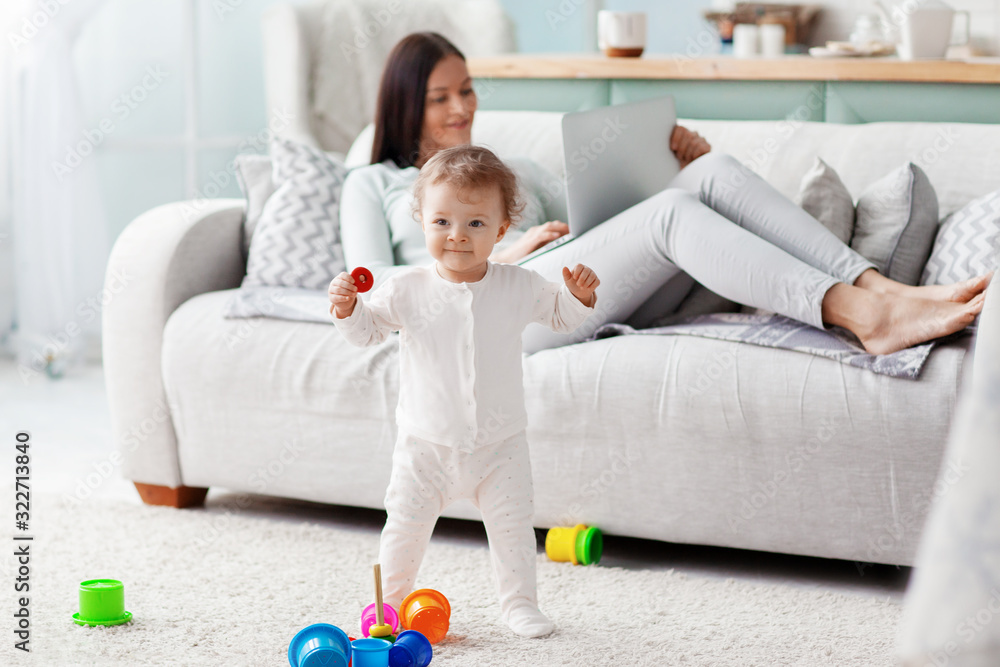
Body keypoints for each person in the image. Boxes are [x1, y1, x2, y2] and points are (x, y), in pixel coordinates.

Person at [338, 31, 990, 358]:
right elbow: (373, 286)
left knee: (707, 175)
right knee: (677, 211)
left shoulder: (515, 171)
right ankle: (861, 316)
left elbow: (608, 228)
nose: (461, 107)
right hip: (500, 310)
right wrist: (495, 257)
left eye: (468, 89)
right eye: (440, 97)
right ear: (404, 104)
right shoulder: (373, 183)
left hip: (580, 289)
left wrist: (679, 168)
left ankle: (880, 289)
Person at [329, 144, 599, 638]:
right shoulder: (405, 288)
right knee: (403, 532)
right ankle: (388, 608)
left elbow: (561, 314)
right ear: (423, 222)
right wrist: (348, 309)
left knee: (514, 529)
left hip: (501, 448)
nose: (457, 235)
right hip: (424, 447)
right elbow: (367, 332)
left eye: (475, 224)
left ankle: (519, 603)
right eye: (442, 223)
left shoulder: (518, 285)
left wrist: (579, 296)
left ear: (500, 230)